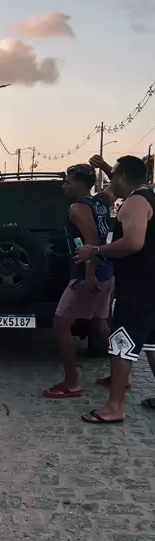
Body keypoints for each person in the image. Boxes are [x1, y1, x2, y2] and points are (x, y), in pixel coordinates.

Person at [76, 154, 155, 423]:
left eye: (113, 177)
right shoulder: (149, 196)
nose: (110, 183)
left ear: (122, 178)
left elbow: (133, 242)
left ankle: (114, 407)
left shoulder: (135, 202)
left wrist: (96, 251)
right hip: (150, 285)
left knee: (120, 344)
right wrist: (107, 167)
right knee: (152, 344)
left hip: (138, 288)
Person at [43, 163, 114, 398]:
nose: (64, 186)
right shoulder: (100, 201)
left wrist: (89, 276)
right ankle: (120, 375)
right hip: (107, 272)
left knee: (61, 324)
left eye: (68, 181)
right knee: (100, 323)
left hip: (88, 275)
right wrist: (105, 167)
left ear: (82, 184)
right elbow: (116, 188)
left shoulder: (78, 208)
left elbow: (91, 242)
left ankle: (71, 382)